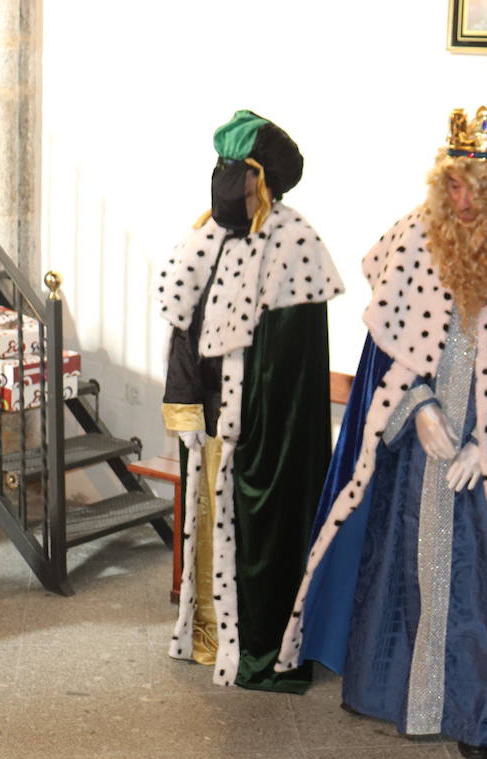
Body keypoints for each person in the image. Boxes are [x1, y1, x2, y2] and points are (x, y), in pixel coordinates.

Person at [274, 106, 487, 759]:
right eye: (451, 184)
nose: (462, 199)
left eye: (476, 187)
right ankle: (397, 693)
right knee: (407, 561)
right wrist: (417, 407)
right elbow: (383, 354)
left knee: (485, 580)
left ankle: (476, 716)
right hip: (420, 450)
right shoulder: (416, 237)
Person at [158, 111, 344, 692]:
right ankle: (211, 640)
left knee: (255, 539)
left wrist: (253, 432)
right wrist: (184, 404)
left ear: (262, 180)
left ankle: (261, 651)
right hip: (211, 421)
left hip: (262, 433)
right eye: (218, 167)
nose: (222, 181)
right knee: (207, 530)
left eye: (233, 170)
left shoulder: (294, 244)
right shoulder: (205, 236)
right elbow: (183, 329)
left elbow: (288, 366)